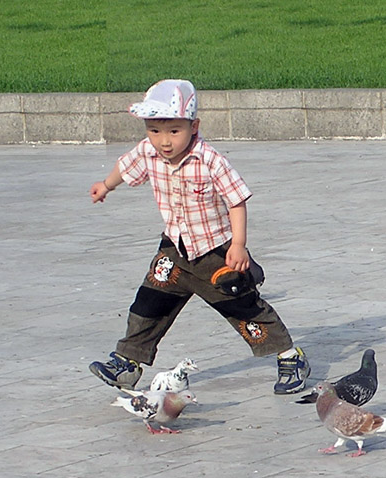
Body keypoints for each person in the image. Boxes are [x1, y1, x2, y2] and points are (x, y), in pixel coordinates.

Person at [88, 79, 309, 395]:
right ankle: (128, 362)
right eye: (154, 130)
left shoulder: (210, 160)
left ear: (194, 126)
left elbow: (236, 200)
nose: (164, 141)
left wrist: (238, 244)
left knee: (243, 308)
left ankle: (290, 356)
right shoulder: (148, 152)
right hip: (174, 250)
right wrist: (106, 186)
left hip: (214, 254)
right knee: (148, 304)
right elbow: (126, 167)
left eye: (174, 131)